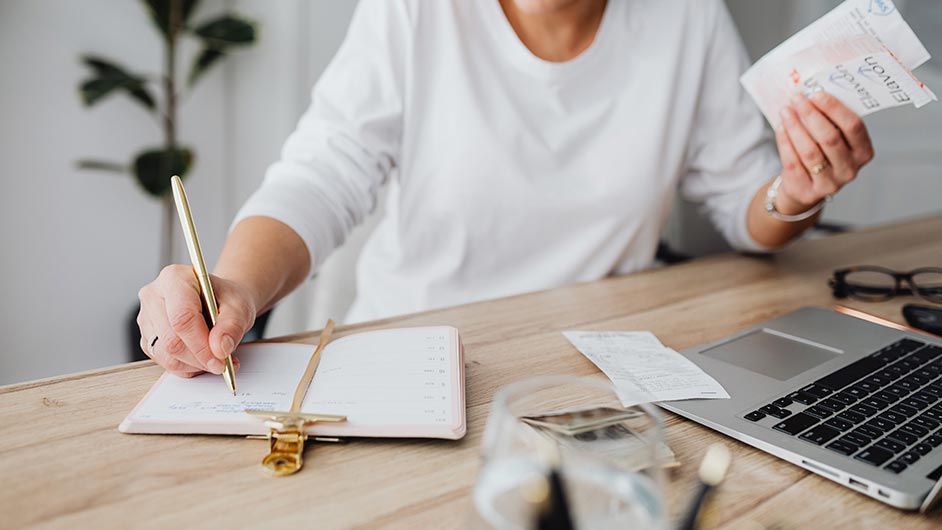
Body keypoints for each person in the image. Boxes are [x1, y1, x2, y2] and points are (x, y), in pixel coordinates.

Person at [136, 0, 874, 378]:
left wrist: (795, 191)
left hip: (604, 374)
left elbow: (747, 203)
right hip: (415, 366)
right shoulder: (416, 12)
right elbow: (323, 175)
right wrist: (231, 282)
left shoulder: (687, 16)